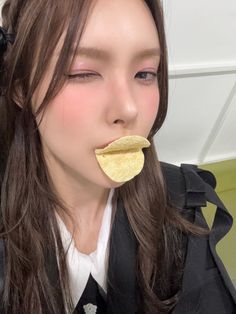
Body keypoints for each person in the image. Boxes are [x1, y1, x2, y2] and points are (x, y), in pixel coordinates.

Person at [0, 0, 235, 313]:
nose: (128, 108)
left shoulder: (183, 205)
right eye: (82, 73)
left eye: (144, 73)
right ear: (22, 89)